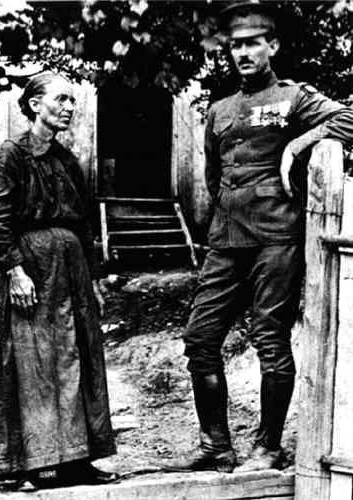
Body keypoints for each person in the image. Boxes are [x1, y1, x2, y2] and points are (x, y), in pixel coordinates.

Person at [166, 0, 353, 473]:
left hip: (276, 238)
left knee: (270, 339)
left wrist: (299, 142)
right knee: (200, 338)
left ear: (272, 45)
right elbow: (213, 176)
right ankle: (215, 445)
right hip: (226, 240)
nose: (243, 54)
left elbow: (350, 117)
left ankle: (268, 447)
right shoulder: (220, 109)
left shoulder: (294, 98)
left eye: (252, 44)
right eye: (235, 47)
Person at [0, 72, 117, 488]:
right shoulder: (12, 155)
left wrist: (93, 278)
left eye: (73, 101)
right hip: (34, 270)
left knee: (76, 356)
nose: (69, 108)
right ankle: (37, 463)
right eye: (60, 99)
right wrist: (14, 269)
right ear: (34, 105)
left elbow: (85, 224)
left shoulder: (67, 159)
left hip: (72, 271)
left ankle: (78, 458)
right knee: (34, 363)